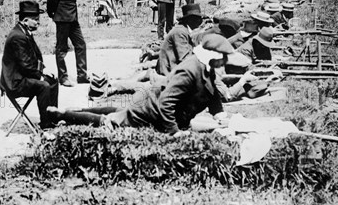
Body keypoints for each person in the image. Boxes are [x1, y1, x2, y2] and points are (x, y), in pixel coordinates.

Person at [46, 34, 234, 136]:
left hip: (150, 104)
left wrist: (221, 116)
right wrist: (174, 132)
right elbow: (166, 102)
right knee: (111, 121)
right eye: (223, 58)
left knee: (119, 113)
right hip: (149, 111)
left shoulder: (205, 68)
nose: (225, 62)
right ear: (213, 56)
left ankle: (75, 109)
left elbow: (212, 94)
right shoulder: (191, 69)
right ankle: (64, 114)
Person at [0, 0, 59, 130]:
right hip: (15, 82)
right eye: (36, 19)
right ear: (26, 20)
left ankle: (53, 118)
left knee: (53, 81)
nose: (38, 22)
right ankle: (46, 125)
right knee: (43, 85)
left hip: (22, 76)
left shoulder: (24, 32)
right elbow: (25, 65)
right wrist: (40, 77)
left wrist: (44, 73)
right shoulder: (18, 37)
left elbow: (32, 59)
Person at [47, 0, 89, 87]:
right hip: (63, 18)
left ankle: (82, 76)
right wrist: (51, 14)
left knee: (81, 44)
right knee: (61, 48)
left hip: (72, 19)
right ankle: (63, 77)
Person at [156, 3, 203, 76]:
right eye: (197, 18)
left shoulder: (184, 30)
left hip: (174, 65)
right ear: (189, 19)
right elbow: (184, 58)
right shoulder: (179, 32)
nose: (200, 21)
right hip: (168, 69)